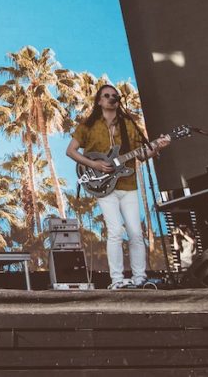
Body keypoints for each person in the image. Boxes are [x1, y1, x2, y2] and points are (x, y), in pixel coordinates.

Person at [65, 84, 169, 289]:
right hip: (103, 185)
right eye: (107, 96)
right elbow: (71, 151)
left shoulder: (129, 124)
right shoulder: (89, 125)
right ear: (99, 101)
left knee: (135, 233)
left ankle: (140, 278)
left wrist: (156, 148)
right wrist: (94, 164)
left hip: (128, 184)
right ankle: (117, 280)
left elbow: (141, 155)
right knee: (114, 231)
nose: (112, 98)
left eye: (115, 96)